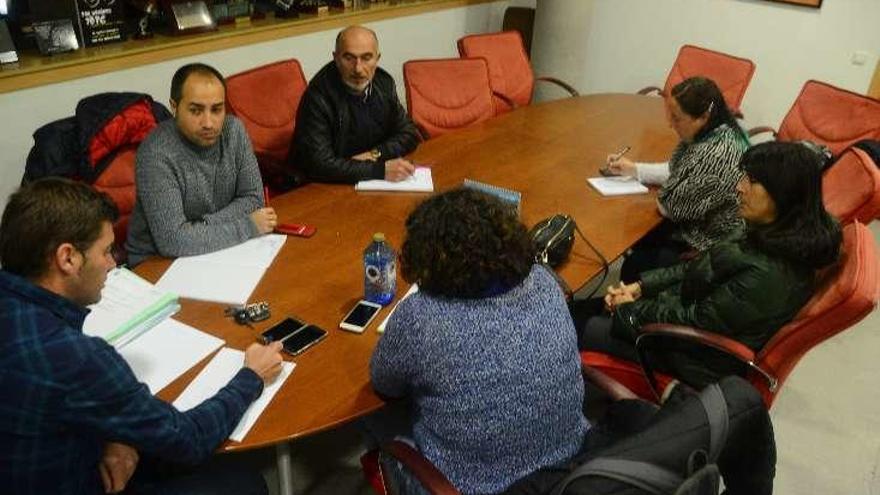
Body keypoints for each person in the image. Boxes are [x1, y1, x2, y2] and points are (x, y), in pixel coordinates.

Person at [0, 178, 284, 494]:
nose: (112, 264)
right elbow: (188, 438)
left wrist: (114, 435)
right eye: (106, 251)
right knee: (244, 483)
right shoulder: (76, 357)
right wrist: (251, 376)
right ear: (68, 258)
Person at [370, 189, 589, 494]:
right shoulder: (544, 280)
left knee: (375, 421)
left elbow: (384, 383)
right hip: (571, 465)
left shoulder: (420, 316)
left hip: (473, 486)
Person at [572, 141, 842, 388]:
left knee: (580, 326)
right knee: (579, 309)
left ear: (783, 195)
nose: (739, 187)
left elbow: (698, 323)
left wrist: (629, 311)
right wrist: (640, 287)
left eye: (752, 181)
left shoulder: (769, 275)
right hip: (683, 314)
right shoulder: (766, 231)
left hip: (690, 356)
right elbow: (701, 265)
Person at [126, 63, 277, 266]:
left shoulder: (234, 131)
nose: (208, 123)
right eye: (196, 110)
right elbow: (173, 241)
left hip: (216, 248)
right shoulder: (155, 153)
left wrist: (199, 226)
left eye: (217, 109)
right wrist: (248, 226)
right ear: (174, 106)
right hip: (157, 261)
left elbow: (253, 199)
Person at [605, 77, 750, 282]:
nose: (670, 124)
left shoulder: (715, 155)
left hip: (709, 247)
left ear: (703, 117)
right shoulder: (721, 129)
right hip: (704, 225)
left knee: (638, 253)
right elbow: (680, 170)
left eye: (676, 118)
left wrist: (661, 184)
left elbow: (668, 206)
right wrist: (633, 169)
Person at [289, 25, 421, 184]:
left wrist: (375, 154)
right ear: (336, 58)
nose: (358, 68)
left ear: (377, 59)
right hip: (322, 186)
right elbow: (319, 165)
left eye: (366, 58)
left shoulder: (384, 84)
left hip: (364, 180)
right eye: (349, 58)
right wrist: (379, 170)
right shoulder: (318, 97)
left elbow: (408, 133)